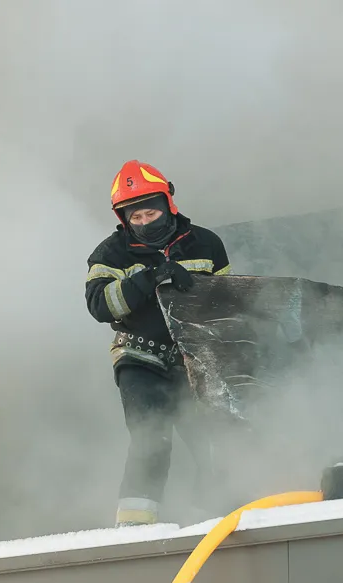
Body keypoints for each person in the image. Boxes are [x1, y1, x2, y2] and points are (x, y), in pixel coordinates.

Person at [85, 160, 232, 526]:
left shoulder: (207, 243)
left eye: (152, 211)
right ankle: (135, 527)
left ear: (168, 203)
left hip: (195, 357)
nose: (146, 221)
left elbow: (230, 304)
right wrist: (150, 278)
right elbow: (100, 305)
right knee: (151, 438)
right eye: (136, 217)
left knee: (211, 440)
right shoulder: (110, 255)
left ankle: (210, 520)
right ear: (124, 219)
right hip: (138, 354)